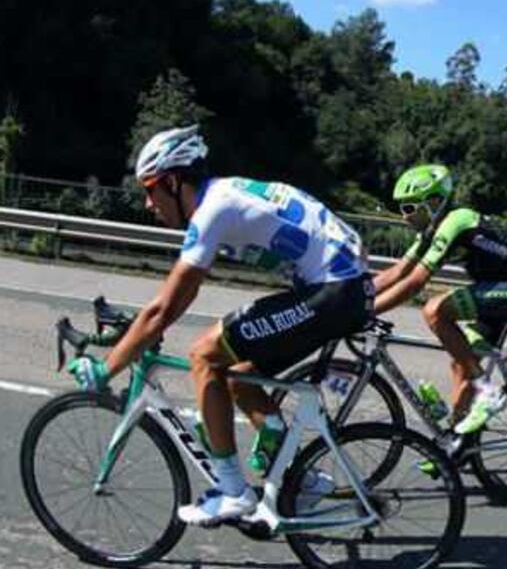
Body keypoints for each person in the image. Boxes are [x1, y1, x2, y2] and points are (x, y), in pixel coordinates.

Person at [68, 126, 372, 525]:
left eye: (151, 190)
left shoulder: (213, 210)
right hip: (340, 288)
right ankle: (301, 479)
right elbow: (173, 302)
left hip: (332, 291)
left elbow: (163, 310)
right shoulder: (225, 195)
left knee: (204, 355)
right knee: (237, 375)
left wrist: (106, 369)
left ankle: (233, 492)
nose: (147, 203)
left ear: (174, 182)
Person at [372, 164, 507, 438]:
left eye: (409, 208)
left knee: (435, 310)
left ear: (434, 202)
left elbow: (415, 282)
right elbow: (398, 272)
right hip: (501, 287)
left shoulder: (456, 220)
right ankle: (456, 443)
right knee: (461, 363)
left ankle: (487, 392)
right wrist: (354, 296)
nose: (404, 216)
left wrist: (367, 310)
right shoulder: (431, 232)